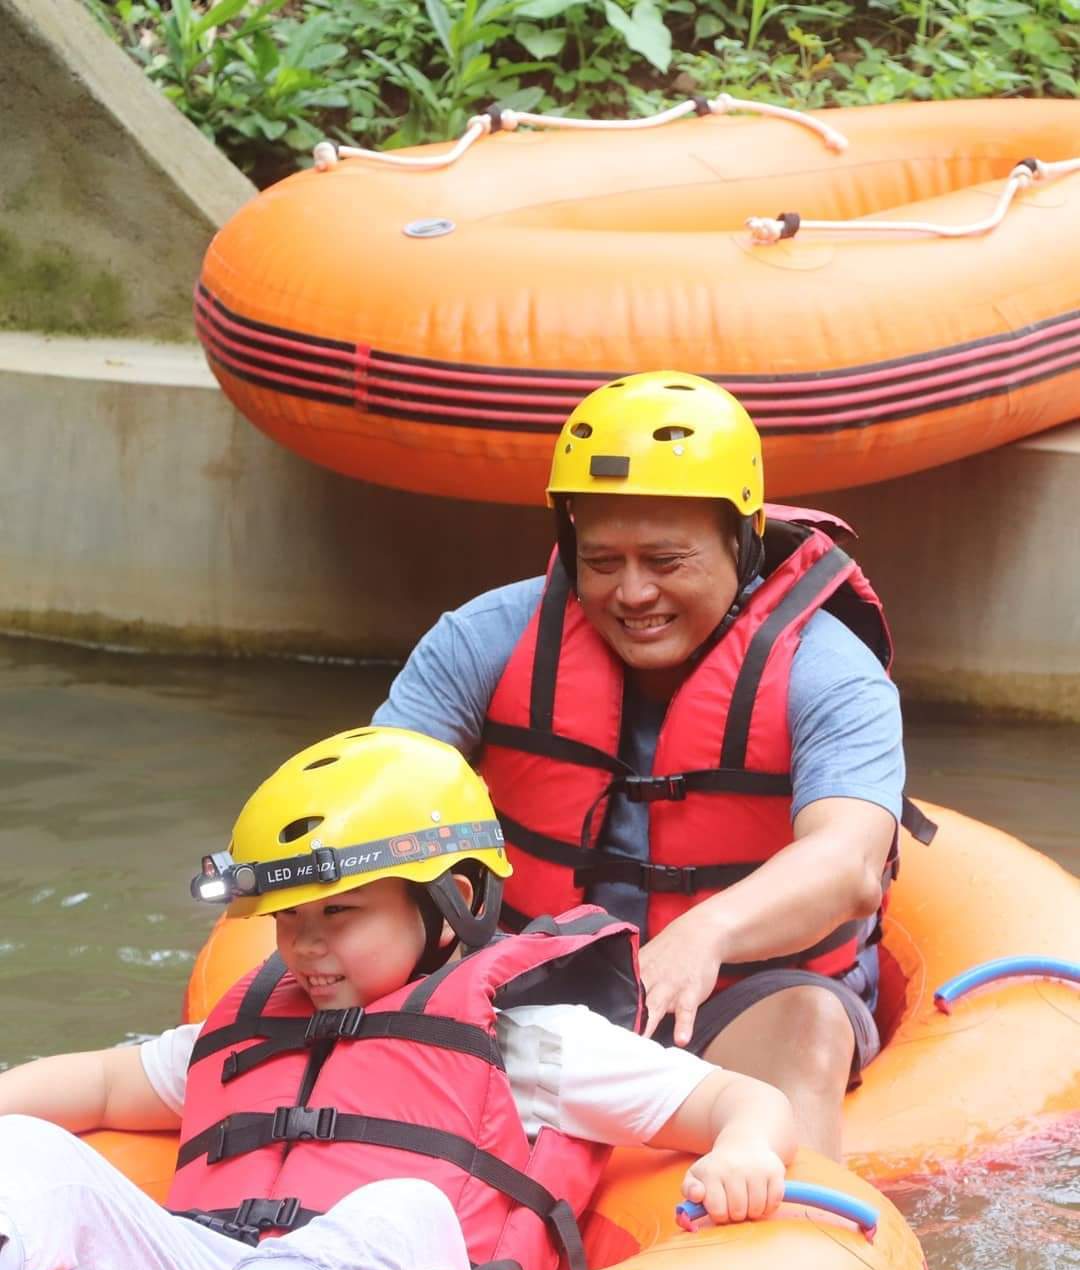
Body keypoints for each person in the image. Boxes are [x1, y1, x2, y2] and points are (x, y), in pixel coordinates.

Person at [0, 726, 796, 1270]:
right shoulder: (253, 1029)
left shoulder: (525, 1044)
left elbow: (737, 1096)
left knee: (405, 1207)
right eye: (288, 920)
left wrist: (745, 1149)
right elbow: (105, 1084)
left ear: (450, 900)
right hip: (199, 1269)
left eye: (338, 913)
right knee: (30, 1149)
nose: (305, 946)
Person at [373, 371, 935, 1161]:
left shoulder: (829, 672)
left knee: (811, 1025)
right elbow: (372, 801)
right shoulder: (482, 641)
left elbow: (848, 866)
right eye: (601, 562)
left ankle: (793, 1248)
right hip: (518, 988)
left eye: (666, 561)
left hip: (739, 1002)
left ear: (741, 544)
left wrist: (708, 930)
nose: (632, 592)